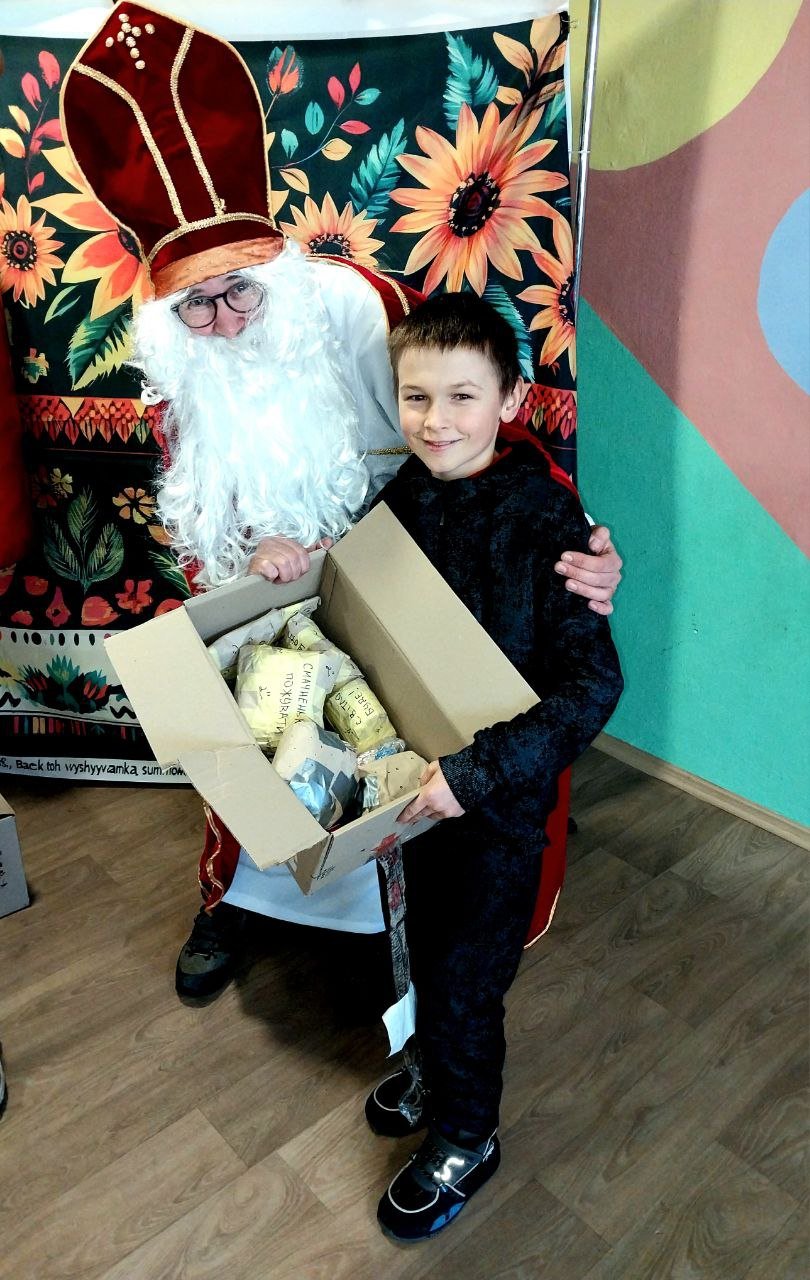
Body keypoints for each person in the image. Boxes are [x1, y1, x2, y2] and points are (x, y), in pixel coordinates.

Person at [60, 4, 623, 1003]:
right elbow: (198, 512)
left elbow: (476, 431)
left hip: (402, 575)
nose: (224, 323)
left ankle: (411, 931)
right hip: (269, 595)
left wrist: (576, 546)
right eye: (196, 304)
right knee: (254, 723)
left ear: (275, 266)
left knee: (412, 758)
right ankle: (236, 896)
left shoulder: (363, 309)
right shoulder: (180, 363)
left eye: (242, 291)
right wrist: (248, 560)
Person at [256, 291, 623, 1240]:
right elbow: (356, 575)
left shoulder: (545, 520)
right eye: (416, 397)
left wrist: (477, 775)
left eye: (463, 397)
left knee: (467, 980)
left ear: (511, 399)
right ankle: (434, 1067)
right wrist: (300, 560)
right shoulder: (408, 491)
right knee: (420, 947)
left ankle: (467, 1135)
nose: (436, 421)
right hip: (414, 795)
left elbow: (592, 687)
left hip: (496, 810)